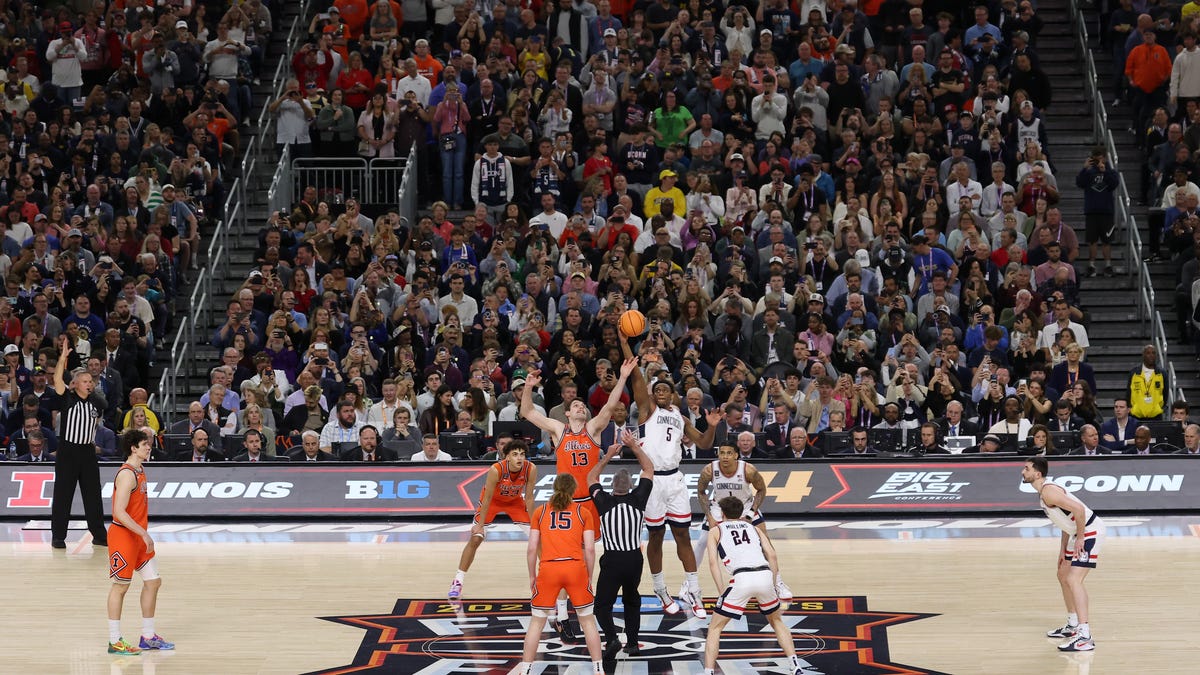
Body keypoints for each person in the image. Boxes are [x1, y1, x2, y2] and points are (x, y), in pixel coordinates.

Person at [518, 357, 637, 640]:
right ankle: (561, 616)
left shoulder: (593, 428)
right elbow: (527, 412)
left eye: (582, 405)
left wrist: (622, 377)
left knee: (587, 560)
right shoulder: (558, 430)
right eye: (575, 406)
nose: (579, 406)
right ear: (567, 414)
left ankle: (589, 609)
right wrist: (528, 387)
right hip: (567, 503)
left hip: (592, 503)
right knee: (564, 560)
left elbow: (610, 405)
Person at [619, 331, 720, 617]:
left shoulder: (681, 416)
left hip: (675, 480)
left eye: (665, 389)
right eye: (656, 389)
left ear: (674, 395)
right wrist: (626, 342)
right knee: (654, 536)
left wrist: (711, 425)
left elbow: (703, 443)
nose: (660, 392)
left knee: (683, 536)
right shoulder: (646, 410)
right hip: (651, 480)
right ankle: (661, 588)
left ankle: (694, 590)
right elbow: (636, 375)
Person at [702, 495, 807, 675]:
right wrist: (773, 584)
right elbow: (772, 556)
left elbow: (713, 563)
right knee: (776, 621)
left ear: (722, 513)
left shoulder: (715, 531)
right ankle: (795, 665)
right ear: (741, 512)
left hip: (741, 578)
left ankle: (709, 672)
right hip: (765, 574)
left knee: (715, 628)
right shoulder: (754, 528)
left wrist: (721, 591)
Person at [516, 473, 604, 675]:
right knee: (587, 620)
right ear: (574, 490)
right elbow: (589, 550)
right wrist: (589, 577)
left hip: (549, 569)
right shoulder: (583, 512)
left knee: (537, 622)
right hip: (575, 568)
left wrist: (532, 576)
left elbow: (531, 549)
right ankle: (598, 668)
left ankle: (526, 669)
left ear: (554, 488)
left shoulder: (541, 511)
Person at [1021, 456, 1104, 652]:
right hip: (1077, 532)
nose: (1023, 471)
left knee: (1075, 580)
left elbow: (1078, 509)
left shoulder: (1049, 492)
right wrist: (1063, 550)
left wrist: (1082, 538)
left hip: (1090, 531)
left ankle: (1085, 637)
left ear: (1037, 474)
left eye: (1026, 468)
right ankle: (1073, 624)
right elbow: (1066, 521)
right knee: (1062, 574)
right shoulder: (1044, 492)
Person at [694, 443, 792, 603]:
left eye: (729, 453)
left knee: (765, 541)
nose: (725, 456)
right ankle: (690, 585)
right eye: (722, 453)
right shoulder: (709, 470)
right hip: (720, 507)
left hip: (745, 505)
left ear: (736, 455)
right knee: (702, 542)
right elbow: (701, 491)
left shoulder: (748, 470)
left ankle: (778, 583)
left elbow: (762, 489)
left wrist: (751, 512)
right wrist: (709, 516)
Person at [105, 428, 174, 655]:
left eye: (149, 444)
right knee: (121, 587)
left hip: (136, 536)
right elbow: (118, 512)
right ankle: (115, 640)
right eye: (145, 444)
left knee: (153, 581)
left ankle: (147, 636)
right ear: (133, 447)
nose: (149, 447)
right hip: (124, 536)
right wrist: (143, 533)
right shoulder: (127, 474)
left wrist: (142, 533)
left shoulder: (140, 469)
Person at [587, 430, 654, 661]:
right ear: (631, 485)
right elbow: (648, 469)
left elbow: (591, 479)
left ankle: (612, 638)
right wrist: (634, 446)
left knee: (601, 606)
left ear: (612, 485)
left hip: (613, 560)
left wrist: (607, 457)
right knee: (632, 600)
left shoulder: (604, 501)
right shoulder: (639, 499)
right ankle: (633, 644)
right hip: (634, 559)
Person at [448, 439, 538, 600]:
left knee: (538, 539)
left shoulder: (530, 469)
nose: (519, 458)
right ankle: (457, 581)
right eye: (515, 454)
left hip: (515, 502)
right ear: (507, 457)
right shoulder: (496, 469)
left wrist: (535, 525)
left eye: (522, 454)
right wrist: (480, 526)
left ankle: (543, 581)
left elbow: (529, 498)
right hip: (492, 503)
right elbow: (487, 498)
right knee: (476, 539)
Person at [50, 336, 108, 549]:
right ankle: (58, 536)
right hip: (68, 450)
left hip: (87, 451)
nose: (89, 384)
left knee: (93, 495)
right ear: (75, 384)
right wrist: (62, 358)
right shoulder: (68, 398)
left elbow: (103, 410)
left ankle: (99, 535)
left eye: (91, 381)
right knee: (63, 494)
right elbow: (57, 380)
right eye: (85, 381)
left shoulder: (96, 401)